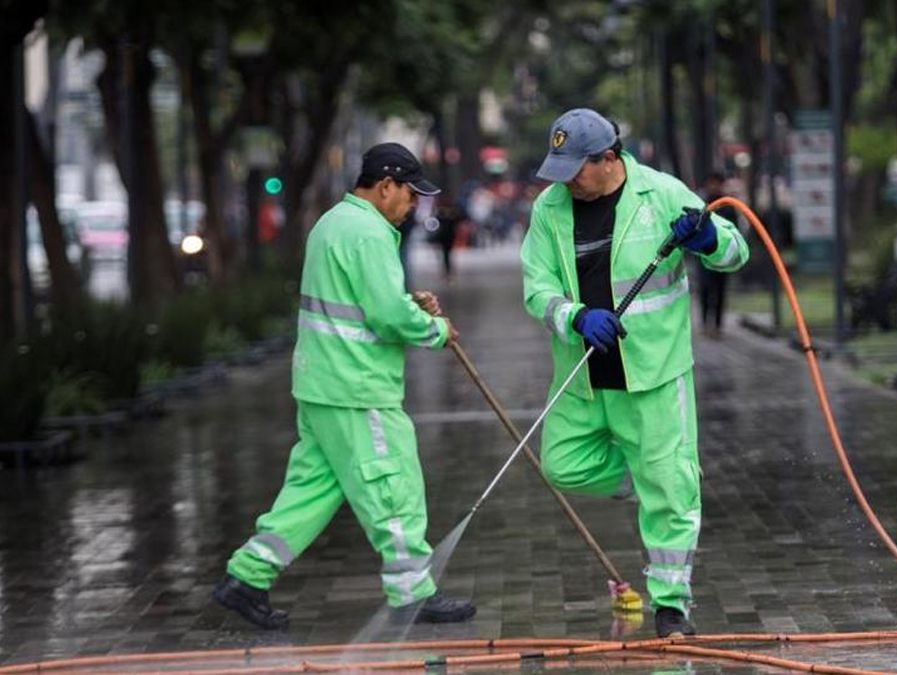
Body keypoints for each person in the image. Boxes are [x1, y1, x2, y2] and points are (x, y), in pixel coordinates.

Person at [212, 142, 476, 630]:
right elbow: (385, 315)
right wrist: (434, 329)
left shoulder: (333, 222)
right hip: (358, 388)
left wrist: (405, 301)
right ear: (385, 186)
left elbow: (356, 298)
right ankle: (413, 591)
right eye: (410, 194)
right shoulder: (369, 234)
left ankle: (247, 576)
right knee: (394, 485)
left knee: (310, 490)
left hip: (320, 383)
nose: (413, 204)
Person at [520, 108, 748, 638]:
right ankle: (658, 479)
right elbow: (536, 288)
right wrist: (574, 316)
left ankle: (671, 606)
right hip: (582, 375)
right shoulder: (549, 210)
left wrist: (707, 239)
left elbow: (736, 252)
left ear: (609, 158)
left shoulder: (664, 194)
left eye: (576, 169)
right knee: (561, 466)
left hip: (654, 375)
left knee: (669, 490)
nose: (566, 182)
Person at [697, 172, 738, 338]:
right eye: (711, 183)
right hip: (704, 255)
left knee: (720, 291)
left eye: (717, 183)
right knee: (705, 290)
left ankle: (718, 325)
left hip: (722, 257)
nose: (713, 186)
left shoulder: (727, 205)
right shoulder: (700, 203)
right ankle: (706, 323)